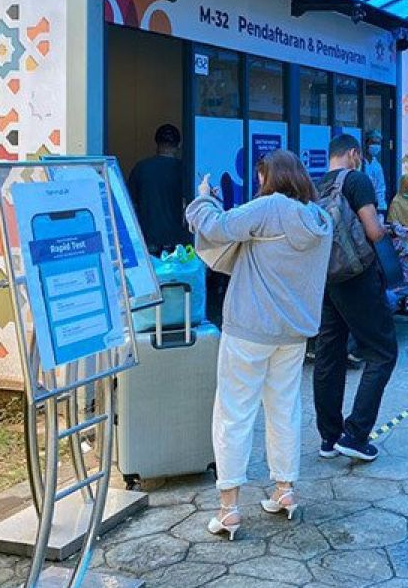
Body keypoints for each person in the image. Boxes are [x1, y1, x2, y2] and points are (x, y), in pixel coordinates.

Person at [185, 150, 333, 540]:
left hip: (249, 329)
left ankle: (229, 509)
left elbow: (216, 227)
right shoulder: (320, 219)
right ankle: (285, 492)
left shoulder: (268, 208)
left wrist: (203, 197)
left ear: (270, 177)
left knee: (234, 413)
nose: (258, 183)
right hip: (293, 334)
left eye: (260, 176)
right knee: (284, 410)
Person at [313, 134, 399, 463]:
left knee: (329, 354)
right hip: (357, 276)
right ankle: (356, 434)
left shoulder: (317, 184)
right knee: (382, 351)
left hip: (328, 278)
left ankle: (328, 437)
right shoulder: (357, 180)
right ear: (353, 154)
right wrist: (393, 230)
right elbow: (373, 231)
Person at [127, 123, 189, 254]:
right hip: (178, 244)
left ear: (157, 144)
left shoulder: (141, 168)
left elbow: (129, 204)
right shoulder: (186, 170)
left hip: (148, 241)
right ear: (179, 145)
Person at [362, 129, 388, 214]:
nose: (376, 146)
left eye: (378, 143)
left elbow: (380, 188)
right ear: (366, 143)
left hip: (373, 207)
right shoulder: (359, 162)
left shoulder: (377, 166)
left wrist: (381, 207)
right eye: (373, 142)